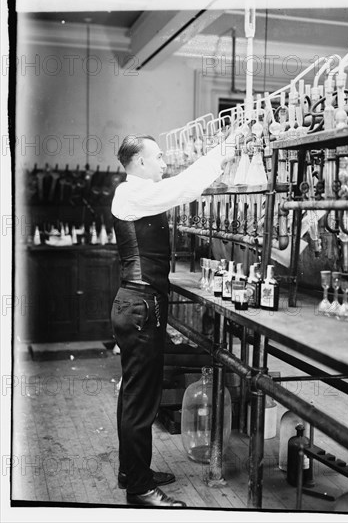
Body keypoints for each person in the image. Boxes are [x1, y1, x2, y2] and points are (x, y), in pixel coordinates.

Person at [111, 132, 236, 507]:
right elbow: (185, 187)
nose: (164, 163)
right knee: (140, 402)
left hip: (139, 306)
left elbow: (178, 185)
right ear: (141, 163)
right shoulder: (134, 193)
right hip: (140, 308)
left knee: (132, 396)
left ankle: (132, 472)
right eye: (159, 157)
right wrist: (229, 146)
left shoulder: (136, 194)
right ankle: (140, 490)